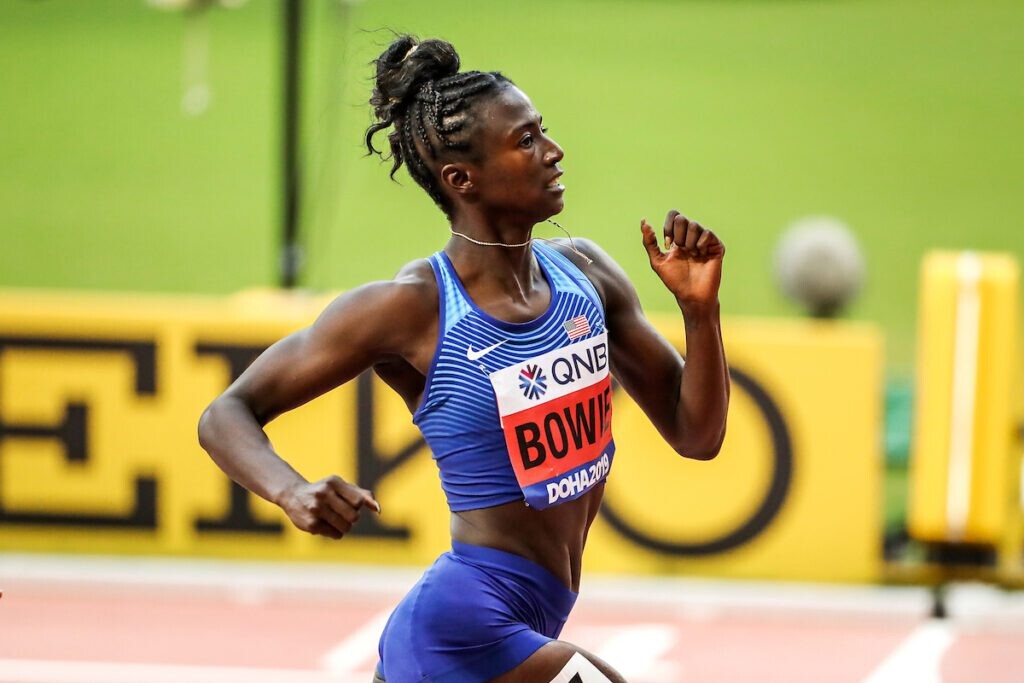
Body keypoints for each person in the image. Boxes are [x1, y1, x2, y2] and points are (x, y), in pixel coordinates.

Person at [198, 34, 729, 683]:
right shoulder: (414, 307)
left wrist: (700, 312)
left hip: (533, 614)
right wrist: (291, 490)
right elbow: (226, 413)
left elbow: (697, 434)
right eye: (526, 140)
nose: (554, 151)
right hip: (463, 628)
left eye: (544, 131)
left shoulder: (586, 274)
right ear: (461, 179)